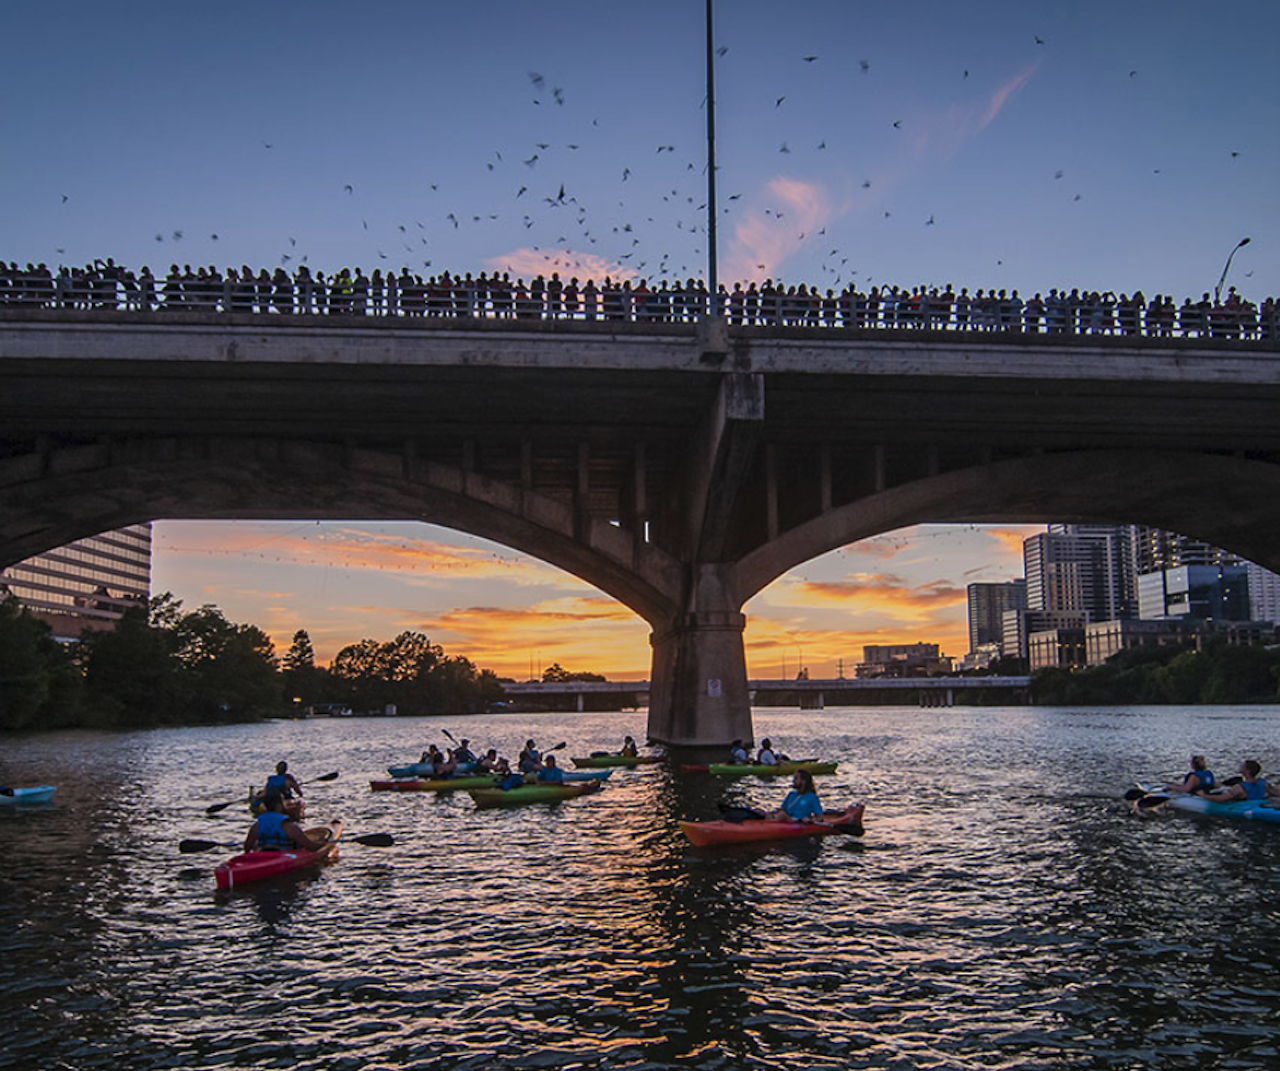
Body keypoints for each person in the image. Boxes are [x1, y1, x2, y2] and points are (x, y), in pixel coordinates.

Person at [244, 792, 323, 852]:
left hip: (264, 855)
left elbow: (247, 848)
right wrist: (323, 844)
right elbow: (311, 847)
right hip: (285, 856)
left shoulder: (257, 826)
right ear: (279, 806)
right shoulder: (288, 827)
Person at [1205, 759, 1279, 803]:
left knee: (1220, 787)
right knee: (1222, 785)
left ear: (1246, 771)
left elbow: (1221, 799)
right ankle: (1216, 784)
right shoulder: (1263, 783)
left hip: (1242, 803)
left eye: (1242, 766)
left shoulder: (1239, 788)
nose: (1240, 766)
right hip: (1257, 802)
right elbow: (1276, 793)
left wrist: (1203, 796)